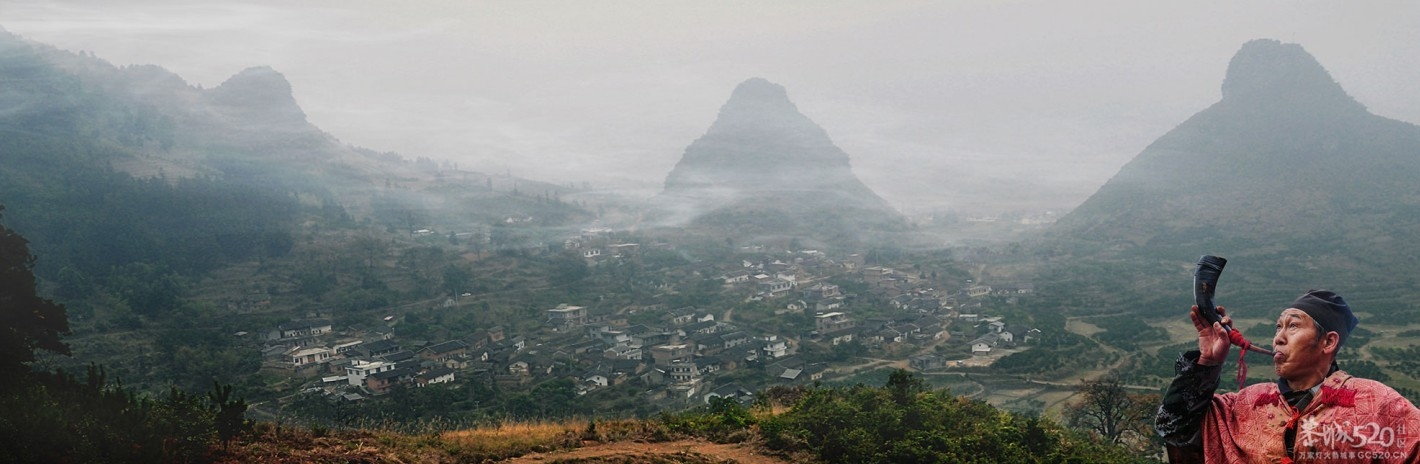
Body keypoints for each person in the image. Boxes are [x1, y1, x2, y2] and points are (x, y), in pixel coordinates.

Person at [1156, 290, 1420, 463]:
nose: (1278, 337)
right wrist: (1207, 363)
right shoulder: (1247, 404)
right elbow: (1175, 428)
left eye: (1293, 325)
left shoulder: (1377, 403)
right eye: (1278, 326)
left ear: (1328, 342)